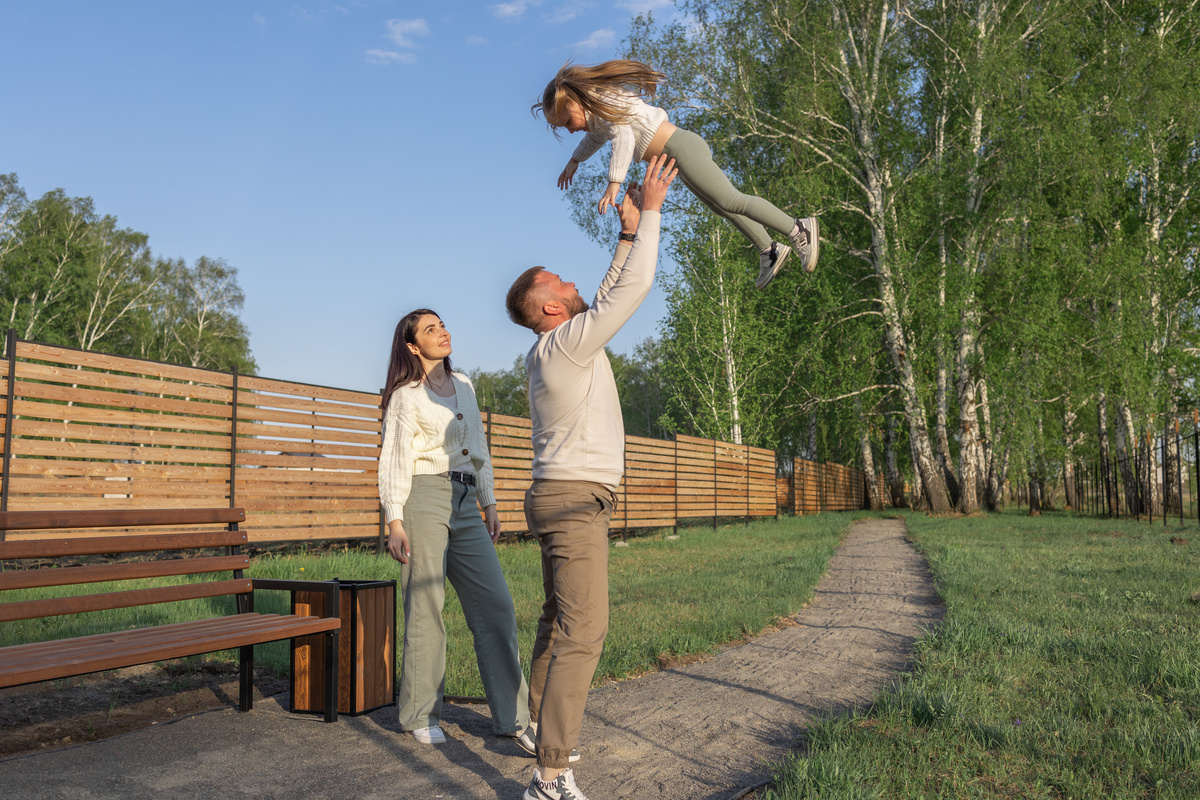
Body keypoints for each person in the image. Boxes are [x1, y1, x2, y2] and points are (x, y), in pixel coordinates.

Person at [504, 155, 678, 800]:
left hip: (557, 493)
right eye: (562, 283)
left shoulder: (556, 346)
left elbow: (604, 295)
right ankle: (549, 775)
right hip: (576, 499)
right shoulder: (566, 344)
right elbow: (625, 296)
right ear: (551, 305)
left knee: (557, 622)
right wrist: (651, 211)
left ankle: (536, 727)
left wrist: (627, 234)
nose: (572, 285)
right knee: (584, 632)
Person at [377, 309, 530, 746]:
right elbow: (393, 460)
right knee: (426, 605)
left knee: (496, 603)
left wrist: (490, 500)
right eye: (430, 329)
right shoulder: (406, 396)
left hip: (466, 499)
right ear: (412, 346)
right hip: (423, 497)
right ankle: (420, 714)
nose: (442, 332)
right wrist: (395, 520)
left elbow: (477, 444)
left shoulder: (463, 385)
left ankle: (513, 717)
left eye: (442, 325)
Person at [534, 58, 819, 291]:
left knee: (732, 200)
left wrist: (613, 183)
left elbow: (622, 135)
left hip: (681, 147)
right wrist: (575, 159)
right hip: (676, 157)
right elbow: (597, 137)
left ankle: (798, 229)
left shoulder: (607, 102)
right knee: (723, 208)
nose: (571, 130)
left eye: (568, 122)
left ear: (576, 103)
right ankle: (769, 250)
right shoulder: (598, 115)